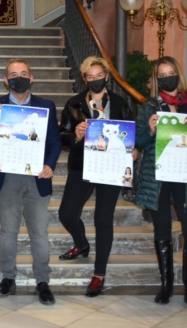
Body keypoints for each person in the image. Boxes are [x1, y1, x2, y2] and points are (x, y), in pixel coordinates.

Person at [0, 59, 61, 305]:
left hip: (37, 177)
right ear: (6, 80)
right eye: (13, 74)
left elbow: (55, 141)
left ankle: (42, 281)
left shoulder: (46, 106)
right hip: (7, 178)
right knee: (8, 232)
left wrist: (50, 165)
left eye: (24, 73)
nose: (19, 77)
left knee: (39, 232)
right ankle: (8, 277)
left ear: (32, 78)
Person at [136, 56, 187, 313]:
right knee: (162, 230)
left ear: (178, 75)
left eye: (170, 72)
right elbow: (139, 143)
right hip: (158, 178)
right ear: (157, 79)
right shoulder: (148, 107)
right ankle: (166, 285)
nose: (167, 77)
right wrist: (150, 130)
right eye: (162, 74)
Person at [58, 56, 136, 297]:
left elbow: (132, 133)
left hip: (112, 166)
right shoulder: (74, 104)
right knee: (67, 213)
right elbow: (62, 136)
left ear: (106, 77)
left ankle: (99, 274)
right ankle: (81, 245)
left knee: (103, 218)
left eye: (99, 76)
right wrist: (76, 136)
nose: (95, 80)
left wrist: (134, 150)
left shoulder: (121, 103)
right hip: (83, 165)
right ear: (84, 79)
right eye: (89, 77)